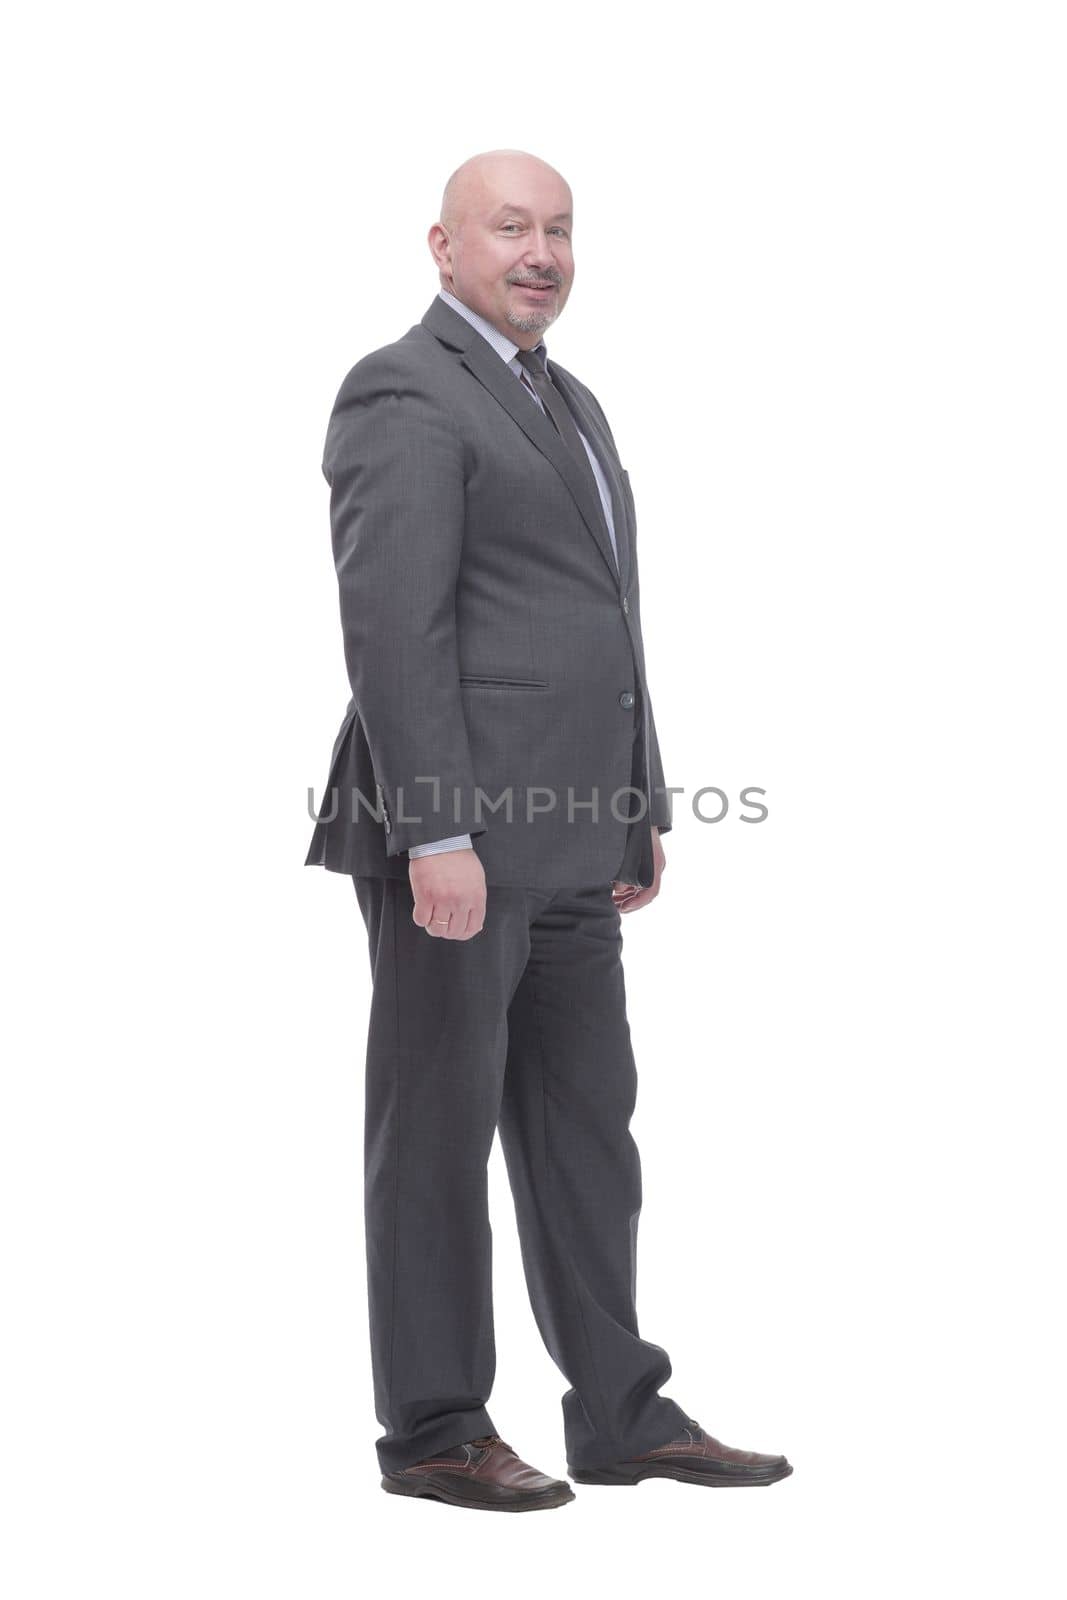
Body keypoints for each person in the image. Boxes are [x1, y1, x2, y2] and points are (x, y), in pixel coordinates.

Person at [306, 148, 792, 1512]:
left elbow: (604, 629)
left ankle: (621, 1410)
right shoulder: (403, 388)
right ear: (443, 247)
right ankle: (437, 1429)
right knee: (437, 1131)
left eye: (560, 229)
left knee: (588, 1126)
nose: (541, 251)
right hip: (458, 834)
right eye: (510, 227)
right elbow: (395, 629)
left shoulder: (564, 397)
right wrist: (437, 832)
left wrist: (634, 806)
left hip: (575, 831)